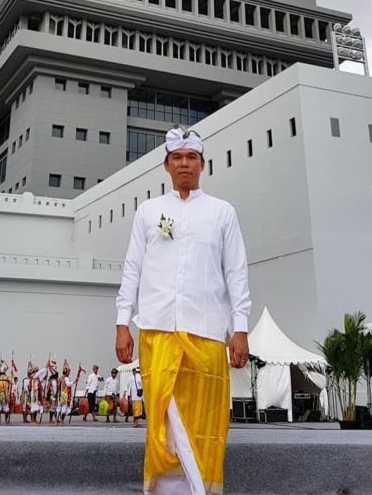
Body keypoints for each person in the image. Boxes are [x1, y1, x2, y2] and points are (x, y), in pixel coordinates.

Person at [115, 126, 250, 495]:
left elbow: (235, 272)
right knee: (163, 421)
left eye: (191, 158)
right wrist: (121, 323)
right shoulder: (149, 212)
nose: (185, 164)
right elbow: (132, 269)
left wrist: (240, 328)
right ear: (166, 166)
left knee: (202, 423)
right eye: (178, 158)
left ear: (203, 165)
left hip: (206, 334)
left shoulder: (222, 213)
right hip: (157, 331)